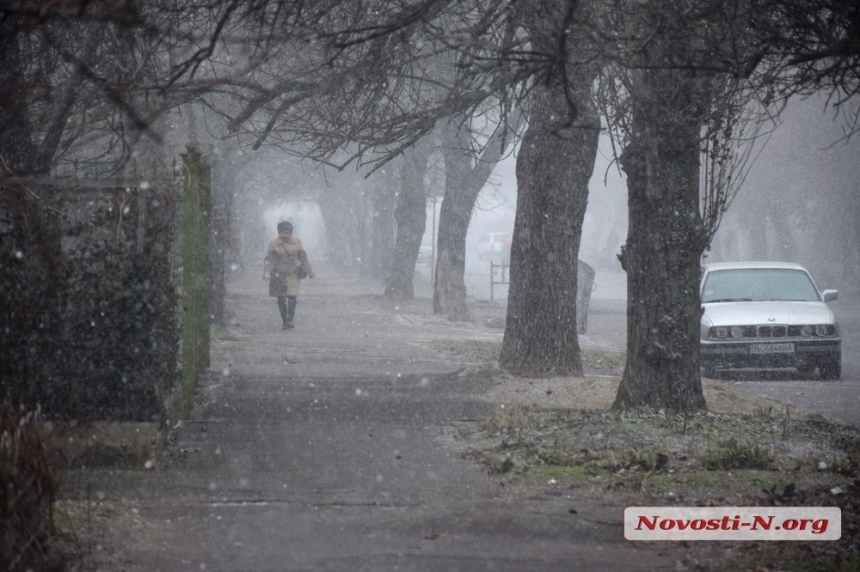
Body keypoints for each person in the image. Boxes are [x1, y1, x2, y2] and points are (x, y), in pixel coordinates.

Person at [263, 221, 315, 330]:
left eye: (287, 233)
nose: (285, 235)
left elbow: (303, 257)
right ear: (279, 232)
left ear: (291, 232)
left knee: (292, 297)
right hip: (278, 275)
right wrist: (267, 273)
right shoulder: (274, 243)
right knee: (281, 299)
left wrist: (310, 272)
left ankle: (291, 319)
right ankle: (284, 320)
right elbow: (268, 259)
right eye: (283, 233)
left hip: (293, 274)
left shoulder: (297, 242)